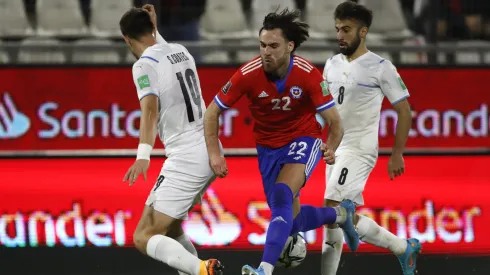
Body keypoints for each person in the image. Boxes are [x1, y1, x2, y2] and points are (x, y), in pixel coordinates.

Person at [203, 8, 359, 275]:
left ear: (290, 46)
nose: (266, 52)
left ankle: (264, 269)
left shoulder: (308, 74)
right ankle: (341, 215)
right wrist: (214, 154)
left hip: (304, 139)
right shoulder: (248, 73)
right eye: (262, 45)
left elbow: (335, 122)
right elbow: (212, 112)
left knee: (281, 194)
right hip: (267, 149)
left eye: (274, 46)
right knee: (292, 221)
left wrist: (330, 147)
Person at [120, 5, 224, 275]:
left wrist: (143, 156)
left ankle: (203, 270)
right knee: (172, 229)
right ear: (151, 30)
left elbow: (150, 110)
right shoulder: (181, 50)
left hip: (186, 156)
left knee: (143, 237)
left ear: (126, 39)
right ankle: (198, 270)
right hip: (208, 148)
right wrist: (156, 29)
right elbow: (162, 50)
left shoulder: (143, 65)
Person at [319, 2, 421, 275]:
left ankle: (399, 246)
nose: (340, 35)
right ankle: (402, 247)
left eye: (347, 30)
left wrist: (397, 153)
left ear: (362, 32)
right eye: (338, 29)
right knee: (334, 219)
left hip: (359, 148)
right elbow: (323, 110)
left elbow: (404, 111)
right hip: (334, 149)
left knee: (331, 208)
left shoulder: (381, 67)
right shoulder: (331, 64)